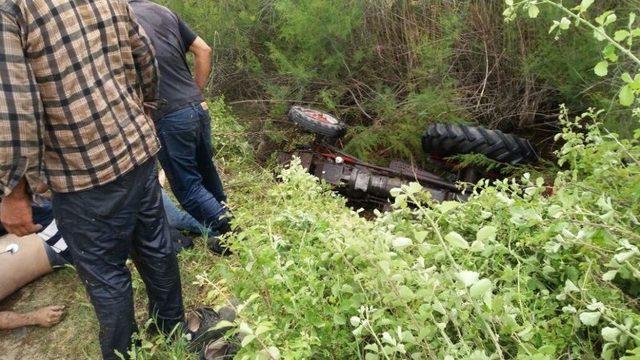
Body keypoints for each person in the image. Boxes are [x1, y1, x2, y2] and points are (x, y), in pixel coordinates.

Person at [0, 1, 183, 358]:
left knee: (105, 275)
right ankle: (172, 329)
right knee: (156, 248)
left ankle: (123, 354)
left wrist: (11, 191)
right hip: (137, 150)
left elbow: (13, 105)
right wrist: (143, 112)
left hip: (81, 172)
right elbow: (145, 55)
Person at [130, 0, 234, 254]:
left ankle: (229, 233)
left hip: (167, 115)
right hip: (197, 107)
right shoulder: (162, 11)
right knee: (206, 170)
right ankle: (226, 223)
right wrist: (196, 92)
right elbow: (204, 50)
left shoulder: (120, 21)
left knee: (187, 187)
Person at [0, 195, 195, 331]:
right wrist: (35, 317)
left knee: (119, 219)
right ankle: (176, 234)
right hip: (54, 244)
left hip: (39, 226)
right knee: (124, 241)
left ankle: (173, 229)